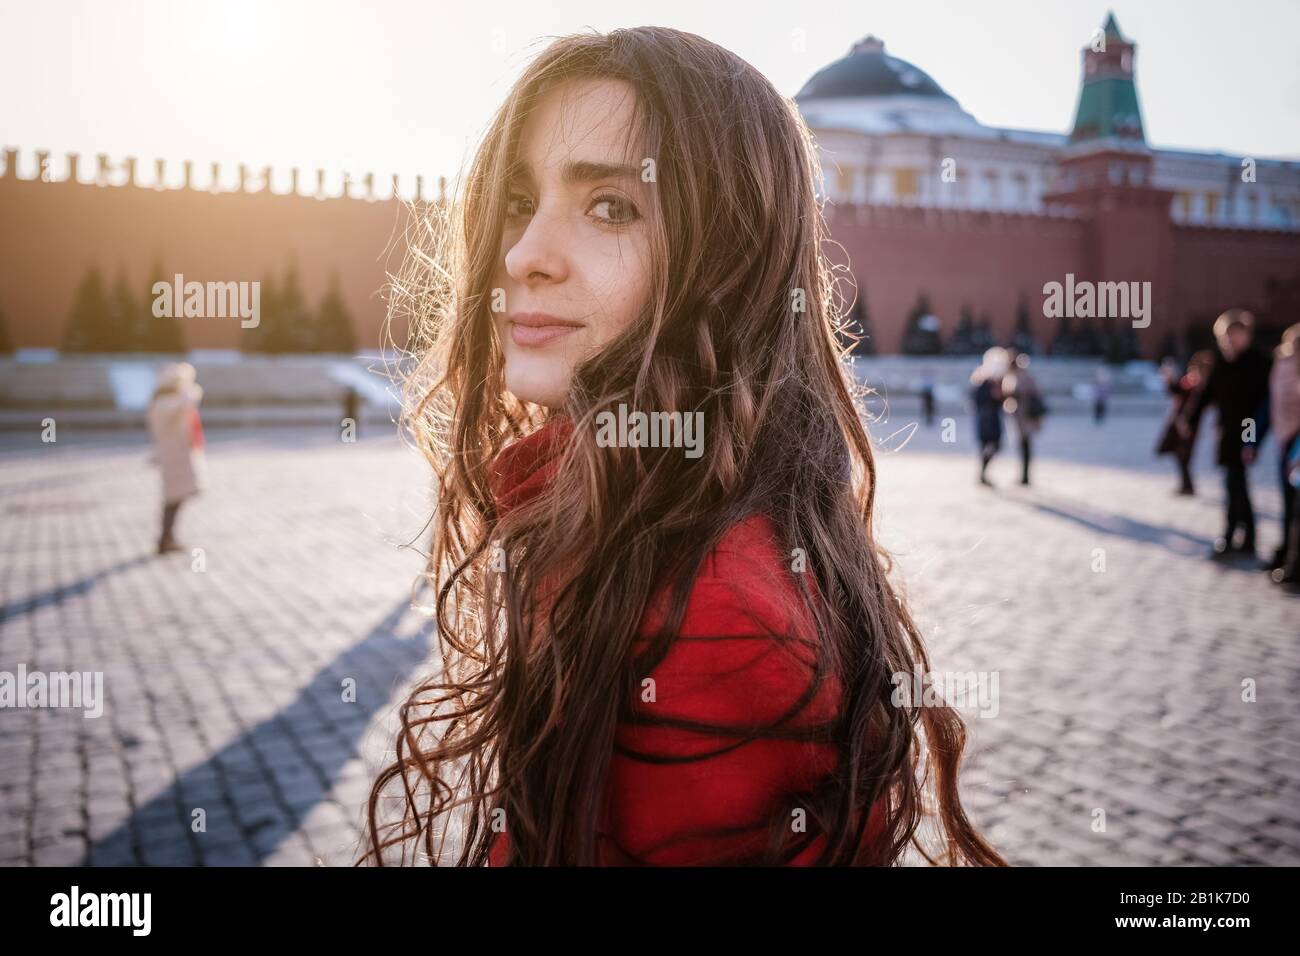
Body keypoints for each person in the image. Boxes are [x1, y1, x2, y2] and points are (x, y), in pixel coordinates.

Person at [360, 27, 1004, 868]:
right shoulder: (640, 520)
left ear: (726, 254)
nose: (522, 255)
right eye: (520, 201)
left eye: (610, 207)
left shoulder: (712, 621)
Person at [1183, 310, 1272, 561]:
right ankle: (1244, 536)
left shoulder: (1258, 362)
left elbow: (1261, 407)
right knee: (1234, 483)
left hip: (1247, 428)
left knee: (1236, 482)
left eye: (1234, 336)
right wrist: (1190, 418)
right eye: (1225, 337)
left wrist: (1250, 440)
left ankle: (1236, 534)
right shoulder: (1221, 362)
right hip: (1226, 429)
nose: (1230, 341)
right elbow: (1206, 394)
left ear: (1245, 335)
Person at [145, 362, 204, 554]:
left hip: (177, 456)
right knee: (172, 498)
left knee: (176, 498)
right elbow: (191, 397)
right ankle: (165, 539)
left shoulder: (165, 401)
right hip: (174, 457)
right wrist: (187, 385)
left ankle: (168, 537)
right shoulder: (165, 403)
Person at [1267, 323, 1300, 582]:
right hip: (1286, 445)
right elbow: (1264, 410)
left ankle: (1293, 563)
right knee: (1289, 505)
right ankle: (1288, 555)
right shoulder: (1280, 369)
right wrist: (1249, 441)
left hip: (1296, 447)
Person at [1155, 350, 1213, 495]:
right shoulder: (1189, 381)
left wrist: (1187, 421)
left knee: (1184, 455)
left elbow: (1198, 404)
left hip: (1189, 424)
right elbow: (1176, 390)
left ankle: (1187, 486)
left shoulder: (1201, 386)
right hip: (1179, 421)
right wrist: (1168, 380)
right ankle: (1186, 485)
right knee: (1179, 454)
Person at [1002, 351, 1045, 485]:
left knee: (1025, 445)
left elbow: (1028, 393)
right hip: (1019, 417)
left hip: (1025, 416)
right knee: (1023, 446)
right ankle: (1024, 475)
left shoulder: (1023, 377)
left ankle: (1025, 475)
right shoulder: (1013, 377)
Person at [971, 347, 1009, 487]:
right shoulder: (984, 381)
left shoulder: (996, 381)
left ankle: (983, 474)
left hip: (991, 418)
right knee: (990, 445)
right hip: (987, 420)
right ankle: (982, 474)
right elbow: (977, 399)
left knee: (992, 446)